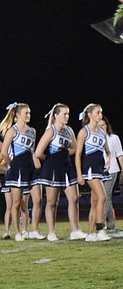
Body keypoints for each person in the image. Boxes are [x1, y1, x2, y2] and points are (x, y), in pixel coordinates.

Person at [34, 104, 83, 241]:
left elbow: (74, 148)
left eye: (68, 114)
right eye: (64, 114)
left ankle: (75, 230)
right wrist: (50, 159)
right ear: (56, 115)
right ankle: (51, 232)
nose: (67, 116)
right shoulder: (51, 131)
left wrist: (64, 153)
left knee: (74, 198)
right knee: (52, 202)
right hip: (53, 168)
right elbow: (38, 152)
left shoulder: (69, 130)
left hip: (67, 166)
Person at [0, 103, 36, 241]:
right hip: (17, 170)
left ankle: (27, 229)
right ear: (18, 115)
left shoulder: (32, 131)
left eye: (29, 113)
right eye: (26, 113)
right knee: (16, 202)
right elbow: (4, 152)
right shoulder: (12, 131)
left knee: (26, 203)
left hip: (29, 169)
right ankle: (17, 231)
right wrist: (12, 165)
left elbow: (31, 150)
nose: (28, 115)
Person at [75, 103, 110, 240]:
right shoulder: (84, 132)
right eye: (97, 113)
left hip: (99, 168)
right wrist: (79, 173)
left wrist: (108, 160)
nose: (100, 115)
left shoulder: (102, 131)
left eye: (101, 113)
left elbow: (107, 151)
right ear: (89, 115)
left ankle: (90, 234)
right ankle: (100, 229)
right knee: (102, 197)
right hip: (89, 168)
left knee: (95, 201)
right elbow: (78, 155)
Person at [101, 117, 123, 231]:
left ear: (107, 126)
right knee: (106, 197)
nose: (101, 127)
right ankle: (111, 223)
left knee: (106, 196)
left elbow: (120, 155)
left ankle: (100, 222)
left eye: (103, 125)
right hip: (99, 172)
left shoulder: (114, 138)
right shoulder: (94, 139)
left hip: (112, 170)